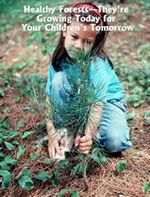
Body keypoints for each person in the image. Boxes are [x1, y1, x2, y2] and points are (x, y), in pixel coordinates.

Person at [45, 2, 132, 159]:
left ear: (95, 41)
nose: (79, 46)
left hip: (106, 103)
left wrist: (88, 135)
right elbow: (49, 98)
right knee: (59, 80)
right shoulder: (59, 60)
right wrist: (51, 133)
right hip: (77, 102)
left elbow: (97, 104)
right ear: (65, 30)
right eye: (75, 37)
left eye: (88, 42)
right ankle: (66, 130)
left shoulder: (96, 65)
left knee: (115, 142)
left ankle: (86, 134)